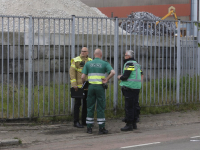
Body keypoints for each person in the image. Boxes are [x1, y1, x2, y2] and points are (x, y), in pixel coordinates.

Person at [81, 49, 115, 134]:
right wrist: (106, 79)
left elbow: (82, 77)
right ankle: (101, 128)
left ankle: (89, 128)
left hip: (91, 87)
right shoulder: (104, 63)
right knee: (100, 107)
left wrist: (85, 84)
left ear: (94, 54)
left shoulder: (88, 63)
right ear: (101, 55)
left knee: (90, 107)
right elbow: (113, 72)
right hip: (100, 87)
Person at [118, 50, 143, 131]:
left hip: (130, 87)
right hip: (137, 87)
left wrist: (119, 77)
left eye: (125, 55)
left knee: (129, 106)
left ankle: (129, 124)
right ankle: (134, 123)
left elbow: (125, 76)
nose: (124, 57)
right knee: (135, 105)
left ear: (128, 56)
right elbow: (141, 74)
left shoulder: (129, 64)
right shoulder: (137, 64)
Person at [70, 47, 92, 128]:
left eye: (84, 51)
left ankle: (84, 121)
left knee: (86, 104)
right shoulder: (76, 60)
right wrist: (74, 84)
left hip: (88, 86)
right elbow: (72, 73)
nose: (82, 53)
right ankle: (76, 121)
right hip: (78, 87)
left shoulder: (90, 60)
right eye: (82, 51)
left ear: (87, 52)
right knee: (77, 104)